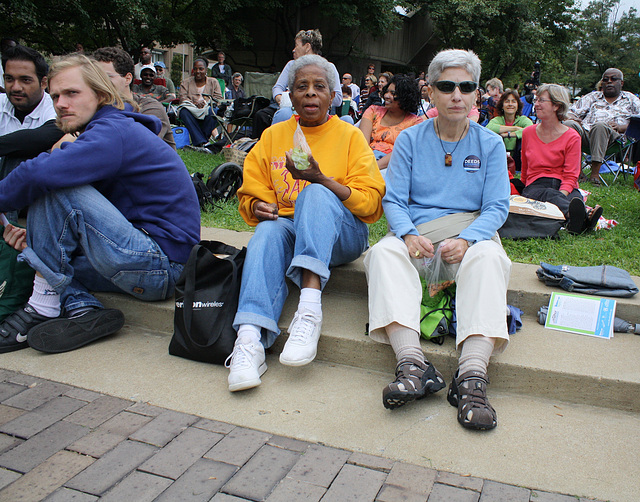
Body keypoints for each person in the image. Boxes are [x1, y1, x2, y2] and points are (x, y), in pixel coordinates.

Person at [0, 54, 199, 354]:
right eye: (55, 96)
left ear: (101, 95)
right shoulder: (103, 131)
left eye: (72, 93)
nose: (61, 104)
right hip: (139, 256)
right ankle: (84, 309)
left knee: (54, 182)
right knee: (35, 256)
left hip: (162, 264)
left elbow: (40, 173)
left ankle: (43, 305)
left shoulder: (113, 132)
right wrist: (39, 244)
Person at [364, 49, 511, 431]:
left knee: (489, 259)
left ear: (478, 93)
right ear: (431, 92)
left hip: (468, 237)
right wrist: (409, 234)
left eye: (466, 86)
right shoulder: (410, 140)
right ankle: (413, 365)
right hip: (421, 238)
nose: (457, 95)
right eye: (447, 86)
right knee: (382, 254)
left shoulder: (491, 144)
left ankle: (471, 378)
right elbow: (394, 199)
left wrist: (468, 238)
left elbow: (496, 207)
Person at [225, 54, 385, 392]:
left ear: (332, 96)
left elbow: (370, 201)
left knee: (313, 194)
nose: (310, 93)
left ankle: (309, 311)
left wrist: (321, 180)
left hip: (344, 235)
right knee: (267, 231)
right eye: (302, 87)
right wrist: (258, 207)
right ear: (291, 96)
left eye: (319, 87)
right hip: (288, 230)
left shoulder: (350, 136)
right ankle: (249, 340)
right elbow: (250, 191)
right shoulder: (274, 135)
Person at [521, 84, 602, 234]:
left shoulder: (572, 137)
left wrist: (561, 195)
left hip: (564, 185)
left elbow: (571, 175)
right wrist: (523, 190)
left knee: (574, 199)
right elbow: (525, 169)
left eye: (541, 100)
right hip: (536, 185)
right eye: (536, 100)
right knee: (551, 196)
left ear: (556, 106)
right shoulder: (527, 133)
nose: (536, 104)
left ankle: (575, 221)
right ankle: (583, 218)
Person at [252, 29, 342, 139]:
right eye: (302, 86)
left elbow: (337, 98)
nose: (293, 50)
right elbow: (277, 88)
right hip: (290, 107)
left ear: (307, 47)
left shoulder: (328, 67)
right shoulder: (291, 65)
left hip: (319, 113)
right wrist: (283, 99)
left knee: (285, 114)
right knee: (263, 115)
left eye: (296, 45)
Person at [1, 45, 63, 187]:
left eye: (25, 80)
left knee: (24, 156)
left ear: (43, 83)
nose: (16, 87)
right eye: (9, 79)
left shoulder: (57, 108)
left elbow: (43, 136)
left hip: (30, 192)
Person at [565, 68, 640, 185]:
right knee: (569, 124)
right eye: (605, 80)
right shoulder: (592, 97)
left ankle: (595, 174)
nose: (609, 82)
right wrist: (575, 119)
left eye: (613, 79)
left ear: (621, 83)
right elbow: (570, 112)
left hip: (615, 140)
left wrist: (623, 127)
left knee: (600, 126)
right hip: (587, 136)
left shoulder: (630, 99)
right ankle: (578, 172)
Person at [93, 46, 176, 149]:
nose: (98, 83)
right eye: (94, 78)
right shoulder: (95, 108)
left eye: (106, 77)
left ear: (128, 79)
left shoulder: (150, 108)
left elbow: (134, 147)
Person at [358, 74, 423, 173]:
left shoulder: (415, 123)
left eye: (393, 93)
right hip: (365, 160)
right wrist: (365, 166)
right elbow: (362, 144)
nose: (386, 96)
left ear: (405, 97)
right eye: (386, 91)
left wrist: (372, 168)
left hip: (392, 167)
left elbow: (402, 153)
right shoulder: (373, 111)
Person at [177, 56, 222, 149]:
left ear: (206, 70)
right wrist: (194, 103)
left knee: (214, 111)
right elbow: (182, 98)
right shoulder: (186, 82)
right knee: (183, 111)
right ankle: (203, 142)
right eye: (195, 69)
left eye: (201, 69)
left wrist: (205, 102)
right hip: (191, 110)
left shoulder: (213, 82)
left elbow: (218, 99)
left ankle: (199, 142)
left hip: (207, 109)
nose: (198, 71)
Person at [487, 89, 533, 171]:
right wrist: (515, 128)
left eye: (513, 101)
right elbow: (489, 128)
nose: (510, 104)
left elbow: (530, 130)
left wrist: (508, 134)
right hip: (499, 156)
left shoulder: (523, 120)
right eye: (507, 101)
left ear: (518, 105)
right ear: (502, 105)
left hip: (518, 157)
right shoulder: (497, 120)